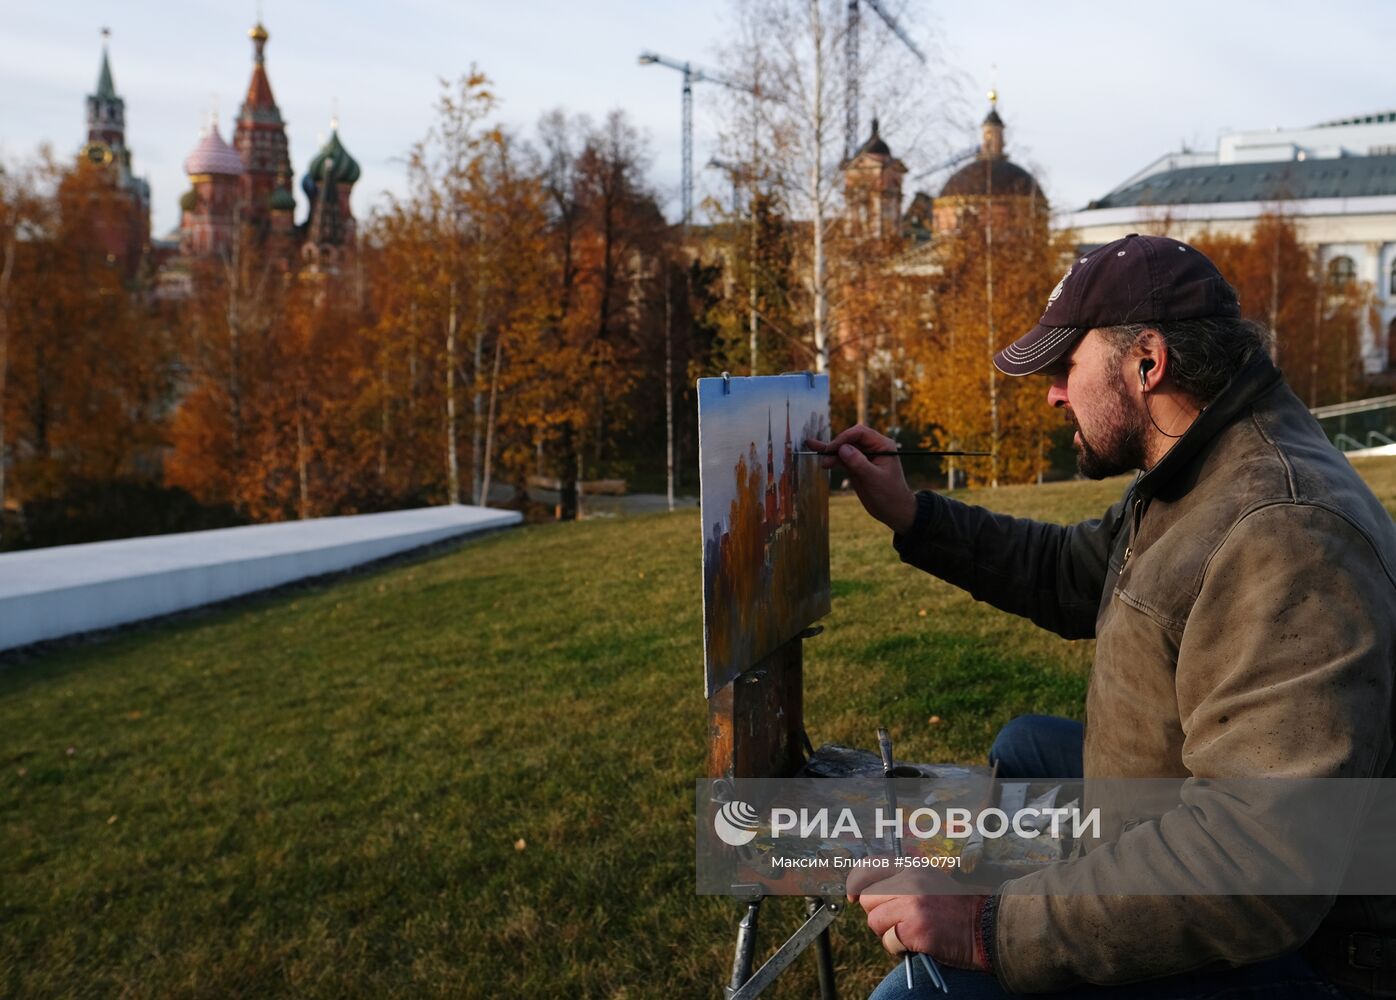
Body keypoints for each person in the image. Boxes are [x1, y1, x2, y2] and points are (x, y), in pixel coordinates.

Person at [808, 234, 1396, 998]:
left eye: (1064, 367)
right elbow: (1074, 572)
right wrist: (913, 514)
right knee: (1025, 747)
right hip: (1201, 819)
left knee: (917, 995)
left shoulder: (1281, 530)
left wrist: (987, 926)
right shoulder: (1199, 464)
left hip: (1306, 952)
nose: (1052, 393)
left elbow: (1259, 865)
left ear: (1147, 362)